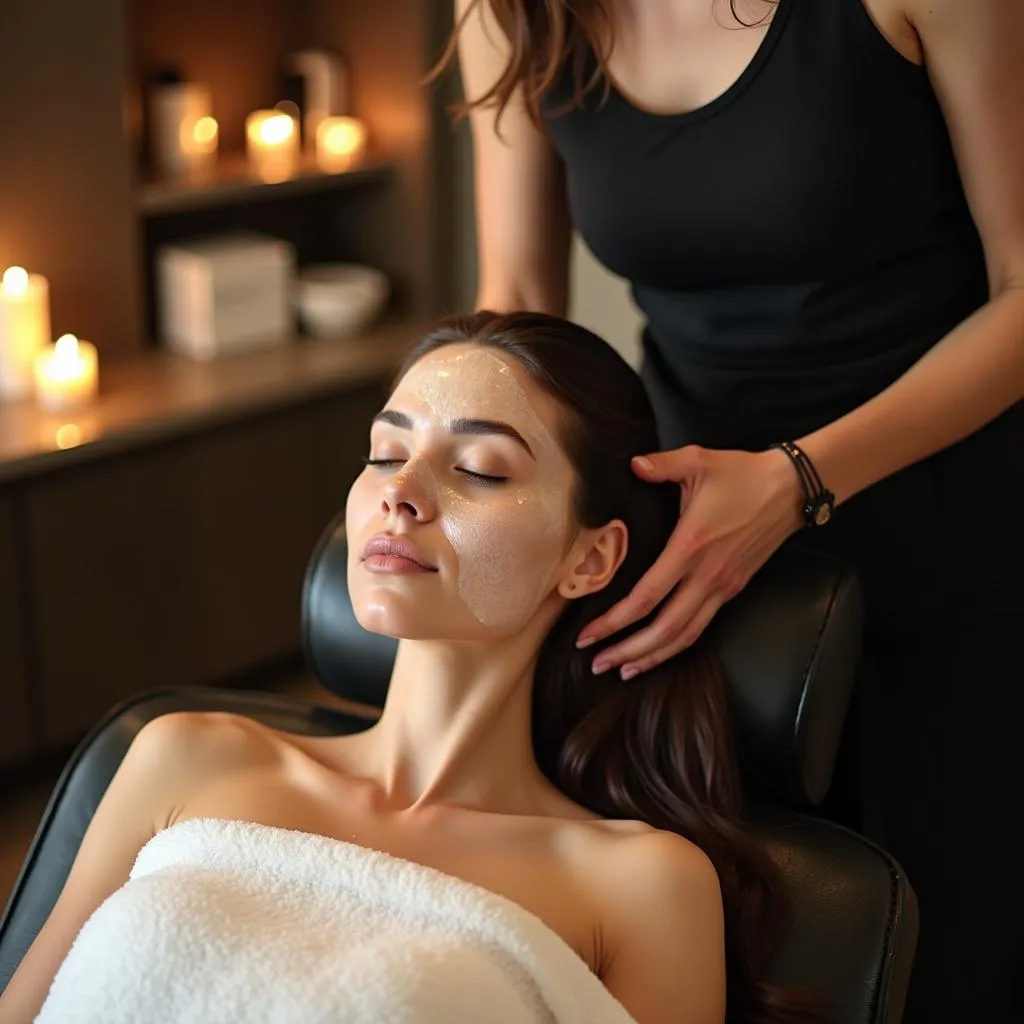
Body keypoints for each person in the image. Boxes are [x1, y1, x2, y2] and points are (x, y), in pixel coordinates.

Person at [446, 1, 1024, 1018]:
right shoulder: (514, 10)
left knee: (951, 948)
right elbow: (519, 297)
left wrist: (799, 478)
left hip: (942, 522)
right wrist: (445, 471)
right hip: (696, 555)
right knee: (752, 944)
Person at [0, 312, 825, 1024]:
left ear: (591, 558)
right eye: (384, 453)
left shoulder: (642, 887)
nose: (401, 492)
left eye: (479, 469)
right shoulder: (184, 756)